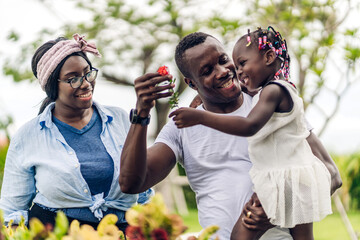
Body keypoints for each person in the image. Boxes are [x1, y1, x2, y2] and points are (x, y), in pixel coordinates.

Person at [119, 32, 342, 239]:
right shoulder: (182, 126)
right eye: (207, 71)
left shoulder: (271, 109)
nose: (223, 71)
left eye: (223, 60)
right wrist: (141, 113)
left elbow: (332, 175)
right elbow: (131, 183)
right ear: (191, 83)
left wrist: (279, 207)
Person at [0, 34, 153, 232]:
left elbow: (143, 190)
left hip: (121, 231)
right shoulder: (29, 135)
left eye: (88, 73)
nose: (86, 83)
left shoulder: (121, 119)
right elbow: (12, 210)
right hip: (58, 232)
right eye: (73, 79)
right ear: (52, 86)